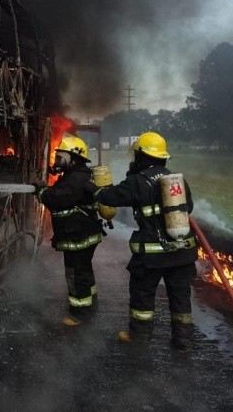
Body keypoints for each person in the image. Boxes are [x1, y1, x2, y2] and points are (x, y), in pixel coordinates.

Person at [86, 131, 198, 350]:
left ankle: (139, 336)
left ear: (141, 156)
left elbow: (110, 197)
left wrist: (93, 188)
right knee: (181, 297)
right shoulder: (177, 179)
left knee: (143, 295)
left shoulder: (137, 181)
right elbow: (189, 207)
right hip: (182, 252)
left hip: (152, 255)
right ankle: (183, 341)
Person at [33, 134, 103, 327]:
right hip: (81, 234)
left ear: (73, 157)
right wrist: (45, 191)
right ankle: (90, 305)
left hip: (79, 236)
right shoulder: (74, 176)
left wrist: (41, 191)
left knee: (76, 274)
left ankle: (80, 314)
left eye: (60, 155)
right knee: (84, 271)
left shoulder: (76, 178)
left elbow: (57, 198)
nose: (57, 160)